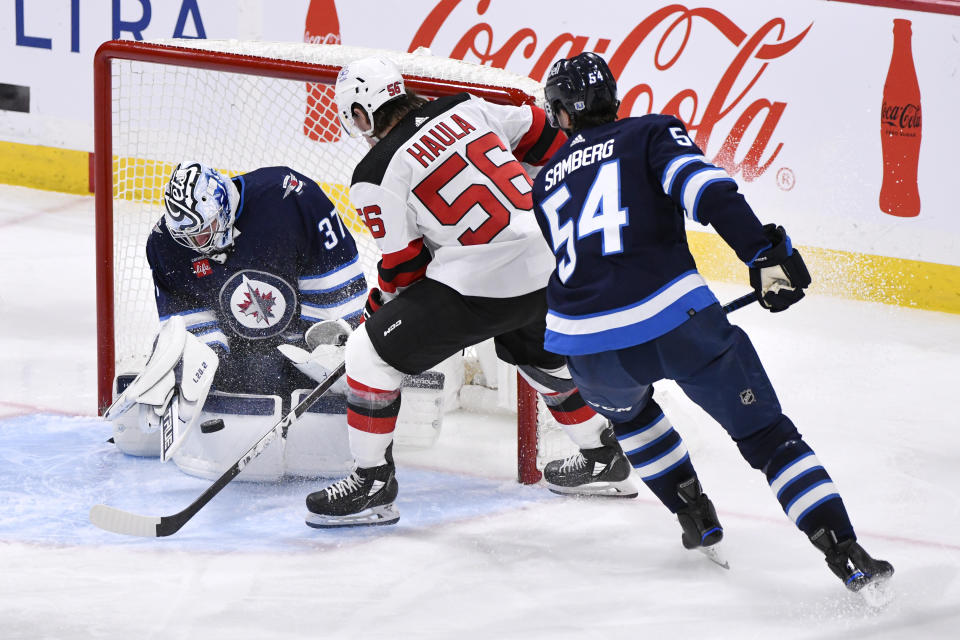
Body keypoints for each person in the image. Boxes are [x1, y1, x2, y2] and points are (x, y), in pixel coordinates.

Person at [529, 52, 893, 595]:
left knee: (631, 418)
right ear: (614, 98)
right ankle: (845, 553)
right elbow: (709, 192)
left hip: (585, 346)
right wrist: (762, 253)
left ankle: (694, 516)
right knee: (770, 438)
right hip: (678, 324)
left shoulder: (544, 184)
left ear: (560, 115)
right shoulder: (650, 132)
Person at [303, 56, 634, 528]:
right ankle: (602, 455)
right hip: (551, 262)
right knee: (535, 354)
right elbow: (541, 129)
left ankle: (373, 483)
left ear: (360, 115)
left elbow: (406, 269)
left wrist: (373, 316)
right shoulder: (466, 106)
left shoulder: (374, 173)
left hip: (482, 288)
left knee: (368, 354)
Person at [107, 162, 366, 477]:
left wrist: (326, 346)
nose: (197, 245)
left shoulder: (289, 195)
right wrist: (202, 366)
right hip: (243, 351)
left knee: (331, 370)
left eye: (203, 231)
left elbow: (336, 284)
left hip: (300, 345)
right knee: (228, 372)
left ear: (222, 208)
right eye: (188, 236)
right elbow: (189, 319)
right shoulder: (165, 243)